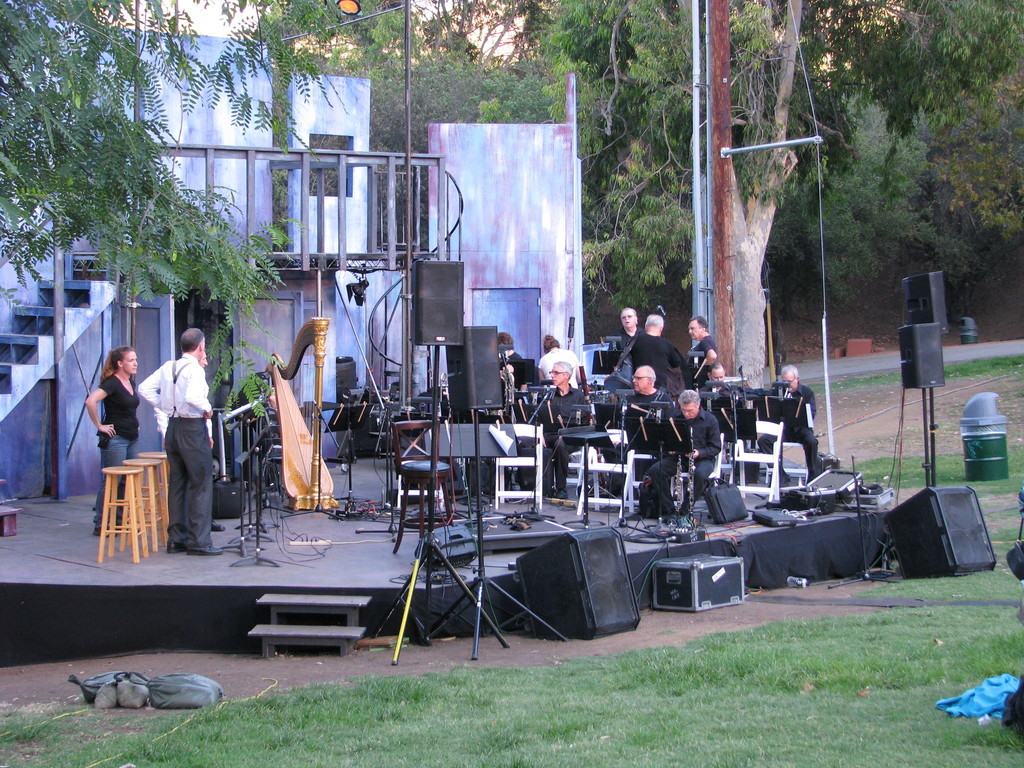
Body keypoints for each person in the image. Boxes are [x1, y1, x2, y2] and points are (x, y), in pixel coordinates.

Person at [139, 328, 221, 556]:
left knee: (178, 484)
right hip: (191, 428)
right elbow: (193, 398)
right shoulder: (194, 369)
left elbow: (143, 388)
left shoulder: (168, 366)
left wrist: (164, 405)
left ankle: (176, 539)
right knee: (201, 484)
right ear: (200, 347)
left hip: (173, 428)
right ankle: (199, 541)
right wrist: (207, 409)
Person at [640, 389, 721, 520]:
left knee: (700, 475)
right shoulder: (675, 417)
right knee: (656, 470)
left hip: (702, 459)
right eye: (684, 410)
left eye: (690, 411)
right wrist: (669, 448)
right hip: (678, 457)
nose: (687, 414)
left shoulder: (710, 420)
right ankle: (669, 510)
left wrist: (699, 453)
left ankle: (685, 510)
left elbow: (716, 446)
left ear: (698, 406)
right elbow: (665, 439)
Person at [85, 347, 141, 535]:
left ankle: (118, 520)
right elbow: (90, 401)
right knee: (112, 480)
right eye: (131, 360)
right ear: (120, 363)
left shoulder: (130, 381)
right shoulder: (112, 383)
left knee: (127, 480)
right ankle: (101, 522)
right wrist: (99, 425)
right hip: (116, 439)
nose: (135, 363)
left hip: (131, 437)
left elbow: (128, 408)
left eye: (135, 360)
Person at [535, 360, 589, 499]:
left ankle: (561, 487)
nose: (552, 375)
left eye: (556, 373)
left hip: (570, 436)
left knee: (561, 443)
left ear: (567, 375)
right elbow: (539, 418)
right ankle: (538, 486)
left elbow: (583, 421)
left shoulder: (578, 395)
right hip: (551, 434)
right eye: (552, 372)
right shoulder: (548, 395)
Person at [758, 364, 820, 482]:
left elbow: (811, 414)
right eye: (784, 381)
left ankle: (813, 476)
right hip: (783, 430)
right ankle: (780, 475)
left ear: (797, 379)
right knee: (763, 441)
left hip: (801, 429)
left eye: (789, 382)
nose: (786, 385)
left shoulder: (807, 393)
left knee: (811, 441)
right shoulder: (777, 391)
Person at [629, 314, 684, 393]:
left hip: (638, 384)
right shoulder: (666, 344)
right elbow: (676, 363)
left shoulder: (635, 341)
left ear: (646, 326)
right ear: (661, 328)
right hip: (659, 387)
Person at [686, 315, 718, 388]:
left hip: (700, 384)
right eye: (689, 329)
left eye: (692, 328)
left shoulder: (705, 341)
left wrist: (700, 371)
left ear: (703, 329)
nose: (690, 331)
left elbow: (712, 356)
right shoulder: (707, 341)